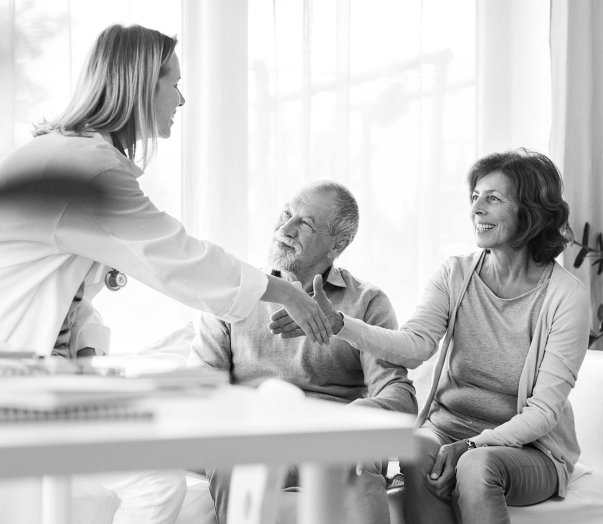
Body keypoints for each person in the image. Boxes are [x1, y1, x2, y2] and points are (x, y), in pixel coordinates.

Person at [0, 24, 331, 524]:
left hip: (33, 373)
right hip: (16, 378)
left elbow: (65, 290)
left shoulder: (70, 157)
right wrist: (288, 292)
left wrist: (87, 352)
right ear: (139, 84)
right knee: (154, 481)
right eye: (172, 83)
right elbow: (180, 259)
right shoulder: (83, 168)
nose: (181, 98)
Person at [270, 149, 591, 524]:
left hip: (530, 448)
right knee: (415, 448)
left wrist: (472, 445)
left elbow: (544, 412)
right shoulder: (454, 274)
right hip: (447, 428)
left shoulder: (566, 296)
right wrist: (341, 323)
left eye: (493, 198)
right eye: (475, 198)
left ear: (531, 211)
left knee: (476, 466)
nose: (477, 209)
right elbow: (413, 346)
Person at [192, 181, 417, 524]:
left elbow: (399, 396)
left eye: (305, 224)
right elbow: (202, 391)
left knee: (355, 465)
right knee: (230, 461)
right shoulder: (233, 296)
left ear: (337, 245)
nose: (285, 229)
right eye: (285, 214)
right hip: (256, 435)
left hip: (334, 441)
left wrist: (341, 422)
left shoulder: (367, 302)